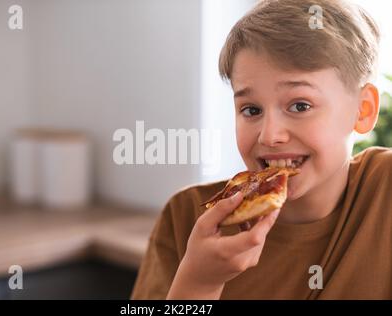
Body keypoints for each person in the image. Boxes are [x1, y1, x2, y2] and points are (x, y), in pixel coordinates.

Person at [131, 0, 392, 299]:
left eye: (300, 105)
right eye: (251, 109)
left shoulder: (385, 190)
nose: (270, 135)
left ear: (363, 110)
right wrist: (199, 282)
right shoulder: (184, 217)